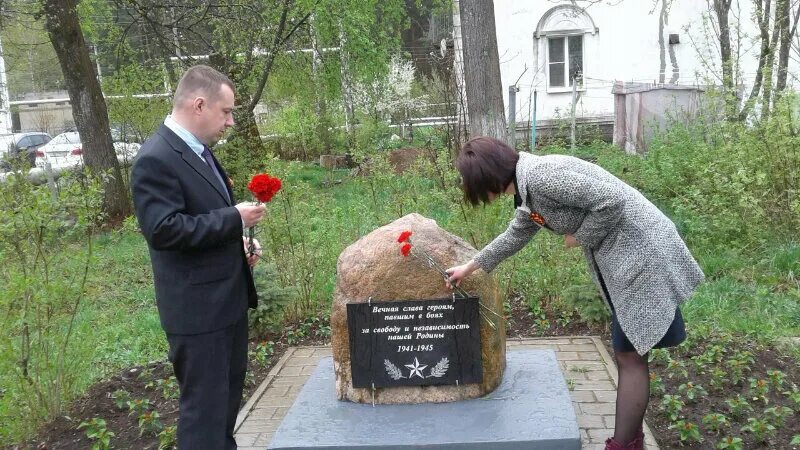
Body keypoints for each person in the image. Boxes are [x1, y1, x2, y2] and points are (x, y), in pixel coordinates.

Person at [446, 136, 704, 450]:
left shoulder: (542, 176)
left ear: (488, 177)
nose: (478, 194)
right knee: (629, 353)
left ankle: (623, 445)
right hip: (628, 256)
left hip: (642, 253)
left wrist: (579, 236)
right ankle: (631, 441)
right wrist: (470, 267)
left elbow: (611, 200)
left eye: (474, 184)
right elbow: (517, 233)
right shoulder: (528, 192)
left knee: (629, 355)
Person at [131, 65, 266, 449]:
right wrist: (233, 219)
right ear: (199, 104)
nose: (231, 121)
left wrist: (237, 246)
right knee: (204, 416)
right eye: (226, 112)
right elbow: (164, 230)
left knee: (222, 412)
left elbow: (194, 222)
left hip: (224, 306)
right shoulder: (156, 157)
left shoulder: (198, 151)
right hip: (198, 314)